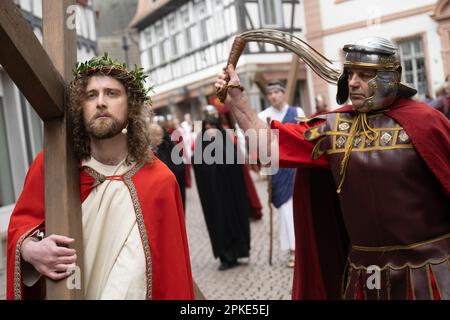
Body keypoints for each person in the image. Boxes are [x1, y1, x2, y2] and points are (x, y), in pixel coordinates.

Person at [215, 37, 449, 300]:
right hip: (365, 277)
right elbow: (268, 147)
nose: (353, 82)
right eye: (350, 73)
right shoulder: (333, 126)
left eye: (364, 74)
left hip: (431, 273)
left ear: (392, 76)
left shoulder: (425, 122)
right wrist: (236, 99)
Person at [6, 54, 194, 300]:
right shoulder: (52, 167)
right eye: (91, 95)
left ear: (131, 106)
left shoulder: (159, 180)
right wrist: (31, 250)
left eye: (112, 93)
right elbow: (20, 227)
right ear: (80, 107)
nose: (101, 102)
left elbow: (172, 275)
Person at [192, 114, 251, 271]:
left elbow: (235, 163)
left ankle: (238, 252)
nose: (210, 130)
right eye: (207, 127)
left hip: (230, 193)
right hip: (214, 195)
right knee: (219, 222)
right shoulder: (201, 144)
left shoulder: (225, 140)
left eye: (213, 126)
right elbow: (199, 166)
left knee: (234, 220)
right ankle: (226, 257)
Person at [257, 80, 304, 268]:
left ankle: (300, 248)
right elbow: (259, 144)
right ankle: (293, 249)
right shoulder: (264, 116)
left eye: (277, 92)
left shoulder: (297, 112)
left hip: (296, 166)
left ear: (283, 93)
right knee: (285, 210)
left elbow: (304, 135)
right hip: (277, 167)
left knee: (298, 208)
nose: (273, 96)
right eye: (270, 93)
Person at [148, 122, 187, 210]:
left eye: (158, 135)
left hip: (171, 190)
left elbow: (180, 168)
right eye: (153, 135)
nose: (156, 138)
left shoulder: (169, 147)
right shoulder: (147, 152)